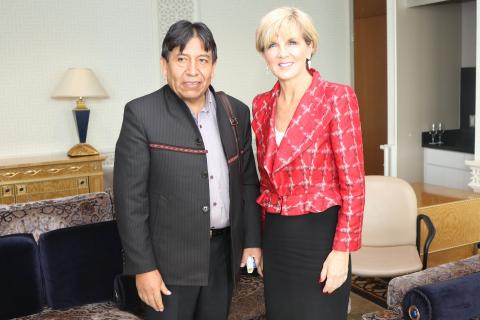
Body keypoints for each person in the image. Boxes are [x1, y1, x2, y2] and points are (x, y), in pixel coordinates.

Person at [114, 20, 262, 320]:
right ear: (164, 65)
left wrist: (252, 242)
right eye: (181, 59)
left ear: (214, 66)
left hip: (222, 257)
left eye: (202, 60)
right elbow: (130, 201)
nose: (192, 70)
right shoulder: (140, 114)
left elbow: (248, 182)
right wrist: (143, 268)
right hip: (168, 265)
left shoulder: (235, 112)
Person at [252, 7, 365, 320]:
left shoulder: (336, 97)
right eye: (272, 45)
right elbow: (264, 182)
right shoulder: (261, 105)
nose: (282, 53)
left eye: (292, 42)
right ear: (264, 54)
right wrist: (261, 244)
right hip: (276, 239)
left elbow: (353, 185)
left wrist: (342, 253)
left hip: (320, 241)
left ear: (310, 47)